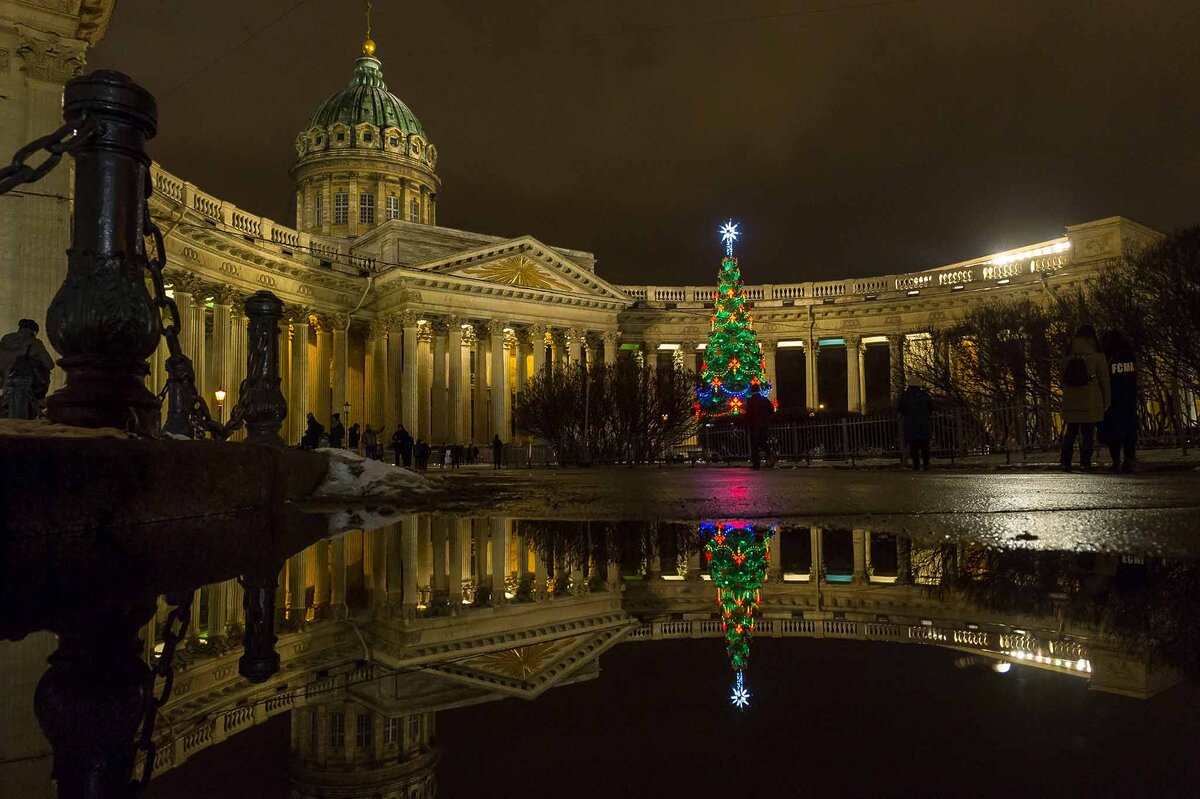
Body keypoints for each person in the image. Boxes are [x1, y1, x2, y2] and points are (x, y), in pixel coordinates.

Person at [1059, 324, 1111, 471]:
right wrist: (1106, 401)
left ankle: (1065, 462)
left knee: (1071, 431)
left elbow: (1061, 380)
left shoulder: (1068, 357)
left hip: (1070, 400)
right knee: (1088, 433)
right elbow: (1104, 381)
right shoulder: (1098, 357)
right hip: (1090, 400)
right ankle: (1085, 462)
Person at [1100, 329, 1138, 473]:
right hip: (1129, 396)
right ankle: (1129, 459)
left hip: (1113, 398)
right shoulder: (1129, 354)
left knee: (1113, 430)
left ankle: (1116, 460)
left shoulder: (1107, 355)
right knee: (1129, 429)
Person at [0, 318, 54, 417]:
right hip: (28, 387)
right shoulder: (35, 343)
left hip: (5, 386)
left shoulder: (4, 342)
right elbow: (50, 365)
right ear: (34, 331)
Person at [897, 376, 932, 470]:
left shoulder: (906, 395)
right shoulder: (924, 395)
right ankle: (926, 464)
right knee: (925, 445)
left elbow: (901, 408)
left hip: (911, 423)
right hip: (924, 423)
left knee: (914, 446)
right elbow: (931, 407)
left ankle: (916, 465)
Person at [745, 390, 775, 469]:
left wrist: (748, 423)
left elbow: (748, 413)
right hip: (764, 424)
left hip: (754, 425)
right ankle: (769, 454)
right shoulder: (764, 399)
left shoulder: (750, 400)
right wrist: (766, 417)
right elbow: (771, 409)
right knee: (762, 441)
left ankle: (756, 464)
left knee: (755, 445)